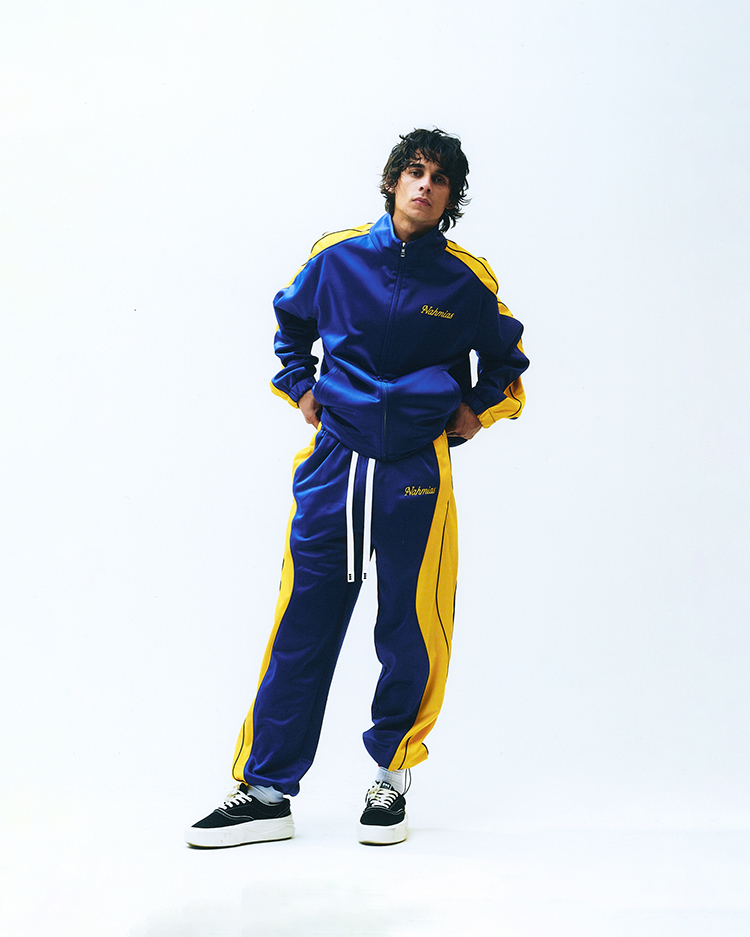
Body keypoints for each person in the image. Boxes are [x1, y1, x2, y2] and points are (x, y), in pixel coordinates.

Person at [186, 128, 529, 848]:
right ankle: (266, 790)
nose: (425, 185)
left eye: (439, 178)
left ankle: (391, 774)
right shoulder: (337, 257)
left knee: (411, 625)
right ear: (393, 181)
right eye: (415, 171)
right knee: (303, 622)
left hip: (415, 472)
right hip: (335, 464)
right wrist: (302, 387)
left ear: (450, 198)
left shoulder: (467, 280)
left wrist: (475, 407)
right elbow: (290, 323)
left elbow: (508, 358)